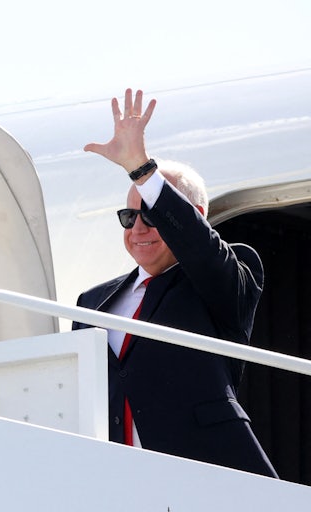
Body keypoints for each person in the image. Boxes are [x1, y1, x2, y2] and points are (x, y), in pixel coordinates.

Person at [72, 88, 277, 477]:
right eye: (129, 217)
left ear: (193, 215)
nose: (138, 229)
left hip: (208, 475)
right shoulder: (92, 301)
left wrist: (142, 169)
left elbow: (200, 247)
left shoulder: (223, 277)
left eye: (152, 215)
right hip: (118, 479)